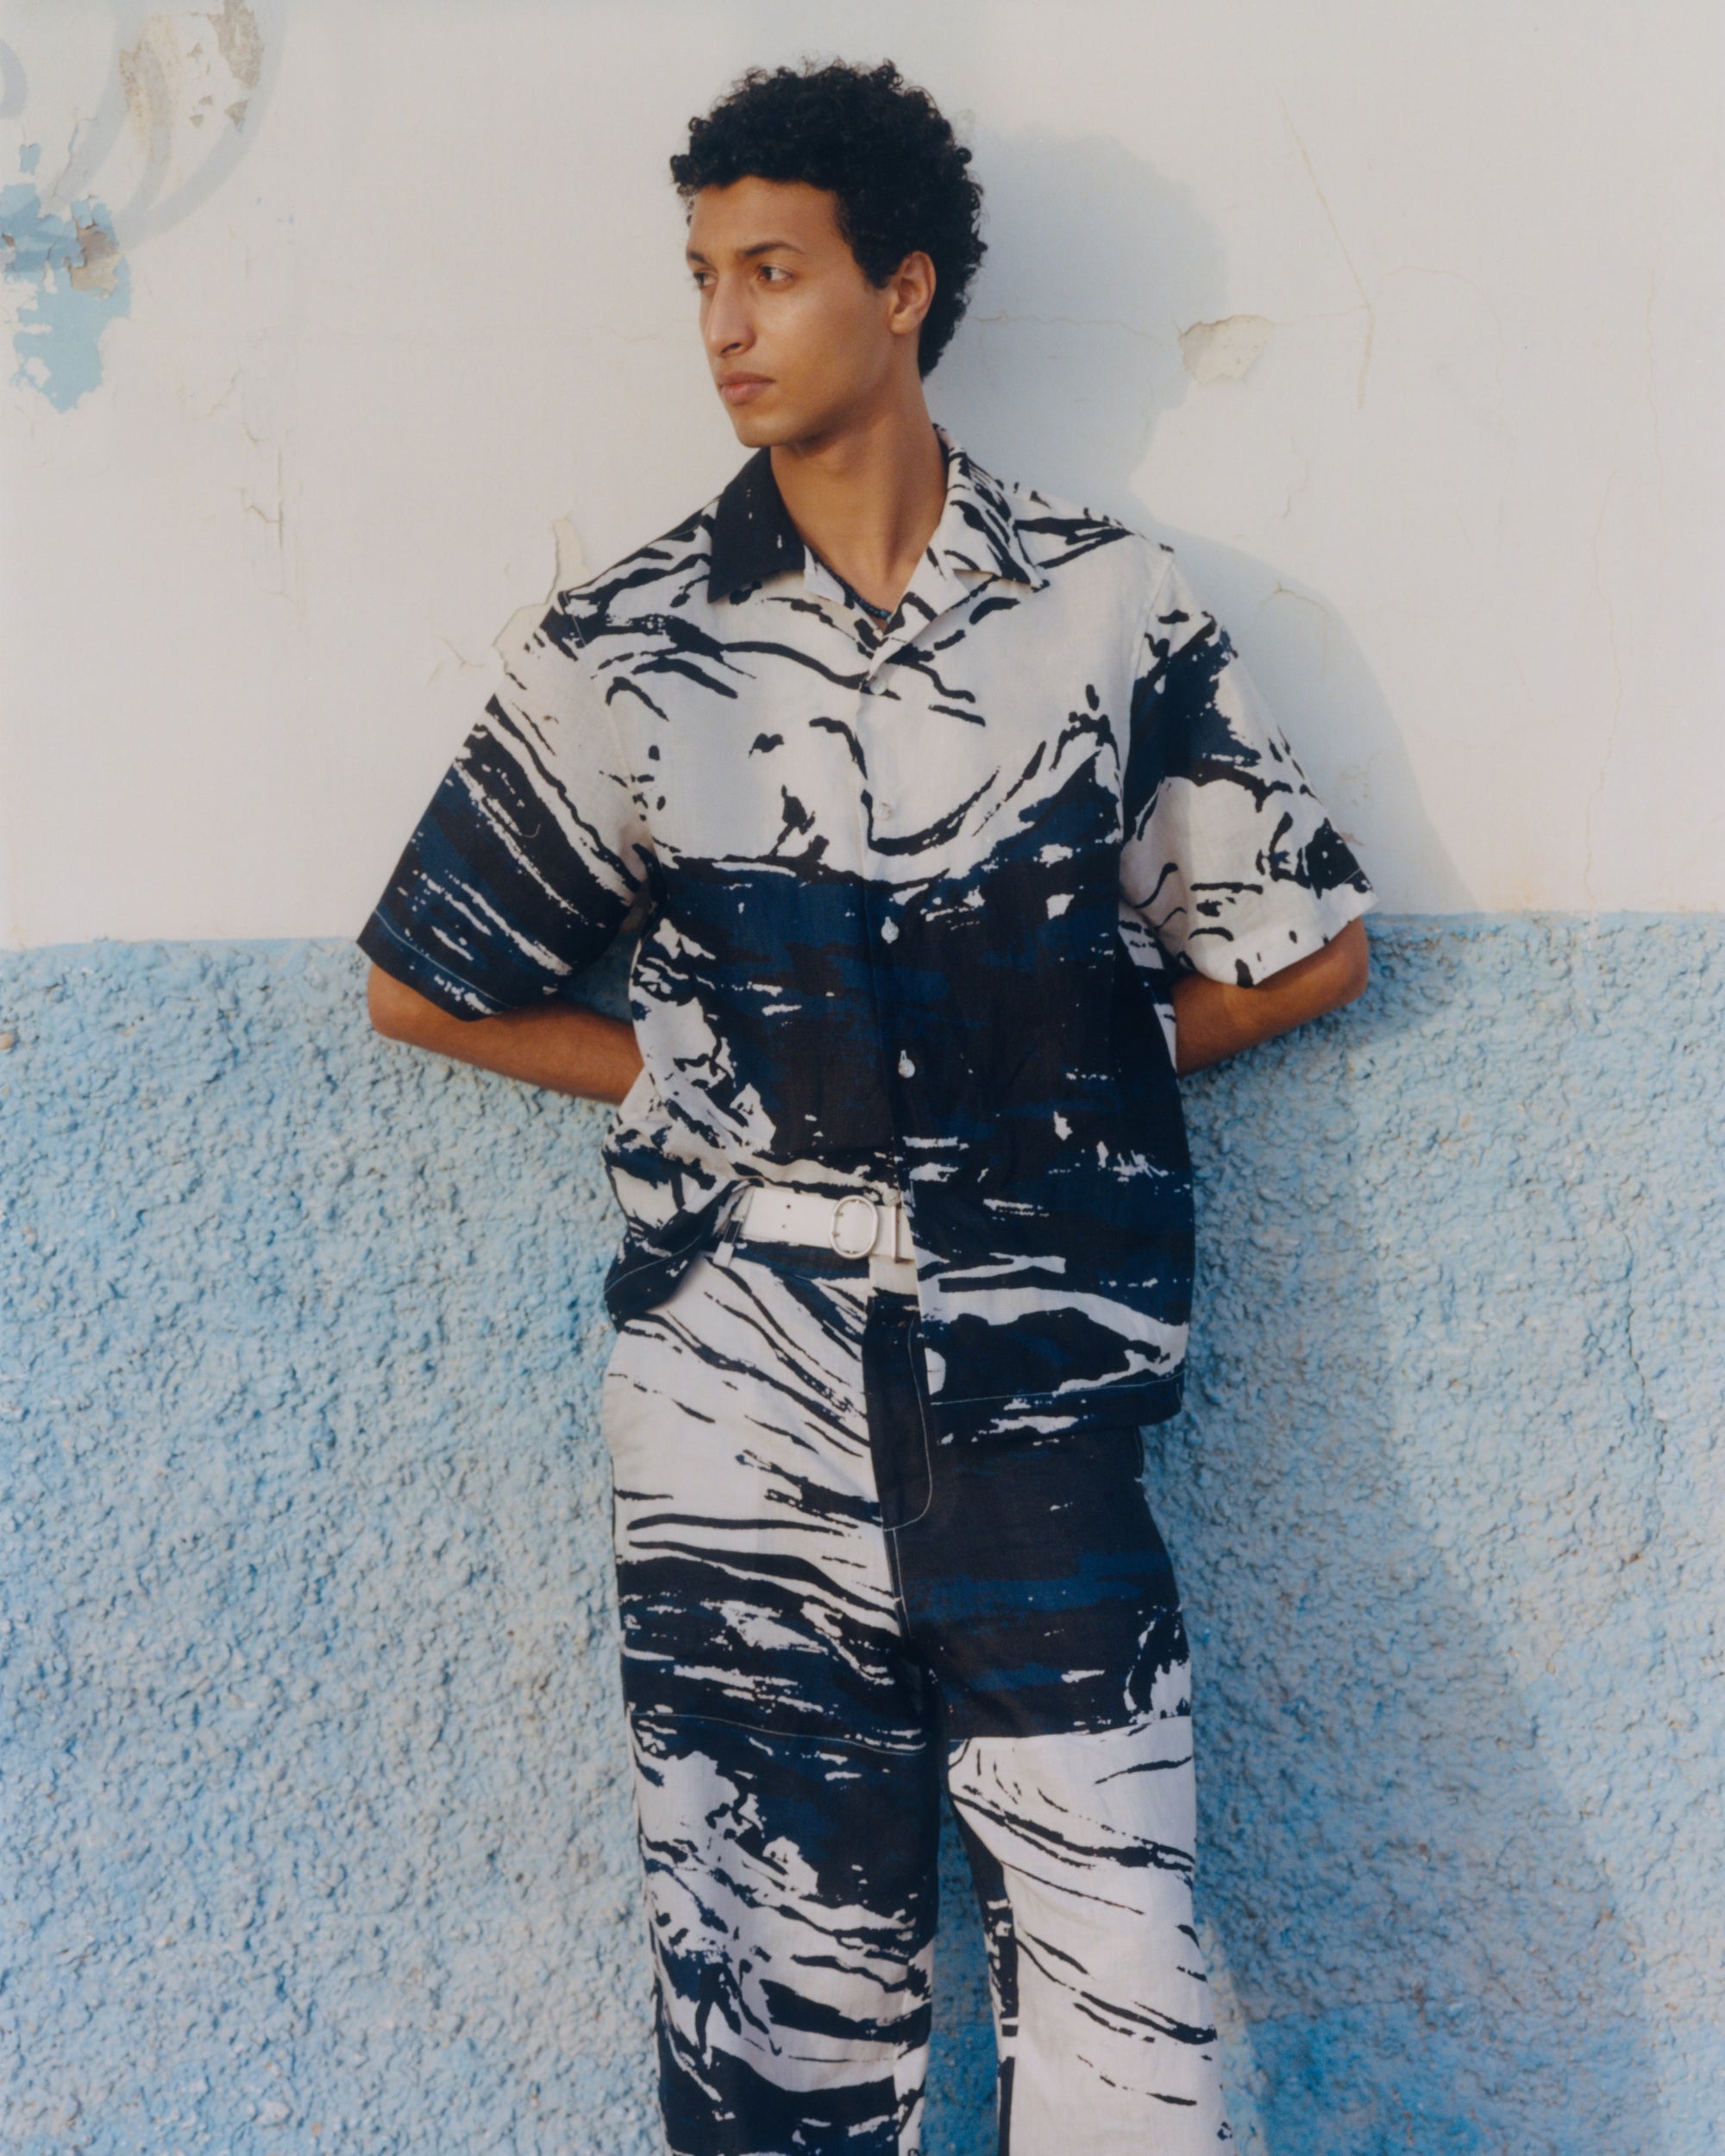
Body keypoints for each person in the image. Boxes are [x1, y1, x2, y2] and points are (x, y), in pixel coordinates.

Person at [360, 56, 1374, 2156]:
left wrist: (1064, 1054)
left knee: (1126, 1994)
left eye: (773, 271)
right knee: (776, 2013)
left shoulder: (1101, 604)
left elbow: (1296, 947)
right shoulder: (632, 642)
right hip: (732, 1409)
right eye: (701, 277)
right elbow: (428, 977)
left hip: (1037, 1397)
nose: (724, 325)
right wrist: (687, 1069)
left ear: (900, 289)